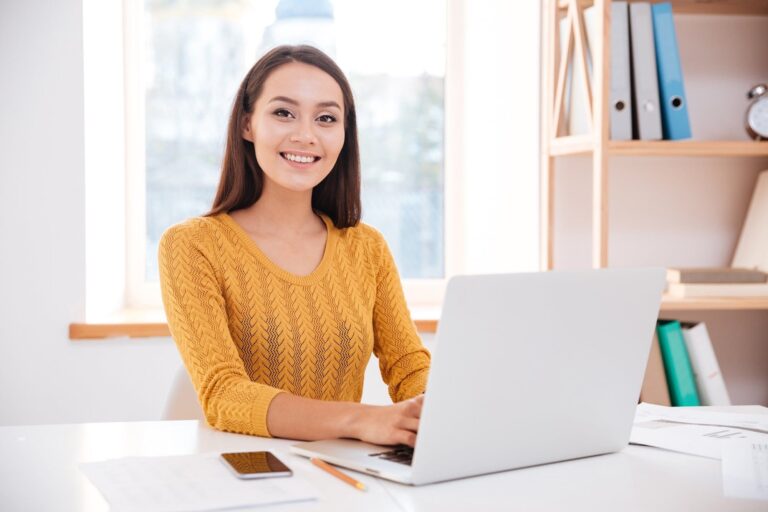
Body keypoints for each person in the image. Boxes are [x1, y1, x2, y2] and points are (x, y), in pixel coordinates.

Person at [158, 45, 430, 448]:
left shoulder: (366, 247)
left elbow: (408, 366)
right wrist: (361, 419)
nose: (305, 135)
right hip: (241, 472)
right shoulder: (192, 246)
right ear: (248, 124)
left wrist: (437, 411)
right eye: (284, 112)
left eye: (326, 118)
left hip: (340, 473)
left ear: (343, 134)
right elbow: (224, 395)